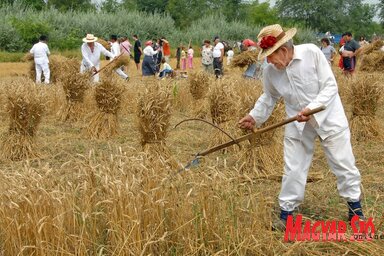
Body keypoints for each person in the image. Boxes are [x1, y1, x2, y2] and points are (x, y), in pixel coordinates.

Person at [238, 24, 364, 230]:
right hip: (297, 123)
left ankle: (355, 211)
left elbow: (330, 86)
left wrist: (311, 109)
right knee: (293, 167)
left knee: (343, 163)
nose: (268, 60)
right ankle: (286, 215)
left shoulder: (312, 53)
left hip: (329, 118)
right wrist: (254, 117)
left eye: (270, 54)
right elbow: (269, 97)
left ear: (284, 50)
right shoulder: (270, 71)